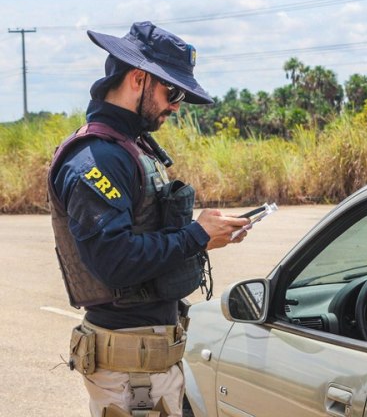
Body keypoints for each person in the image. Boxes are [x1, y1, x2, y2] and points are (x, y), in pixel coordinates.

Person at [48, 21, 251, 417]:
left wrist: (206, 235)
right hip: (131, 376)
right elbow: (115, 261)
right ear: (138, 78)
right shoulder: (97, 158)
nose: (176, 105)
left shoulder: (128, 148)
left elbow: (144, 236)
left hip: (149, 362)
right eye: (172, 91)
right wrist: (194, 236)